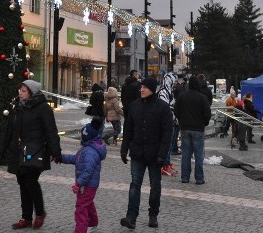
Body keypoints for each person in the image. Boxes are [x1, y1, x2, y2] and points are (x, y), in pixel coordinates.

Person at [0, 79, 62, 230]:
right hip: (19, 151)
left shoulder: (43, 108)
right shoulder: (17, 108)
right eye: (20, 90)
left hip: (35, 151)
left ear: (32, 93)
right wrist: (1, 148)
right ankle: (26, 218)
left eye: (24, 91)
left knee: (30, 181)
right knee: (22, 183)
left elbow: (51, 131)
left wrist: (56, 152)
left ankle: (39, 213)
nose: (20, 93)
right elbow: (9, 130)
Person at [120, 76, 174, 229]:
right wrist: (124, 149)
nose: (141, 89)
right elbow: (129, 129)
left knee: (155, 186)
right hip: (137, 152)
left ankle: (153, 214)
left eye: (145, 87)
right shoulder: (134, 106)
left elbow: (167, 133)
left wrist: (162, 154)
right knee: (134, 185)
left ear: (152, 89)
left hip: (154, 154)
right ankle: (131, 217)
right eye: (141, 87)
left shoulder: (163, 108)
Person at [62, 119, 107, 233]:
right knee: (88, 203)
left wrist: (79, 183)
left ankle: (81, 230)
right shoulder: (87, 149)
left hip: (87, 185)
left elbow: (88, 170)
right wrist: (60, 158)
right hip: (89, 185)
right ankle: (93, 222)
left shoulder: (89, 152)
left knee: (81, 207)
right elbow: (76, 159)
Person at [174, 75, 212, 184]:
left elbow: (176, 110)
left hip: (185, 128)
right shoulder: (202, 97)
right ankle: (199, 178)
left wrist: (181, 120)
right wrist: (204, 123)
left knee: (186, 155)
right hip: (198, 129)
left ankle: (185, 177)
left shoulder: (182, 96)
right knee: (199, 155)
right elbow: (207, 113)